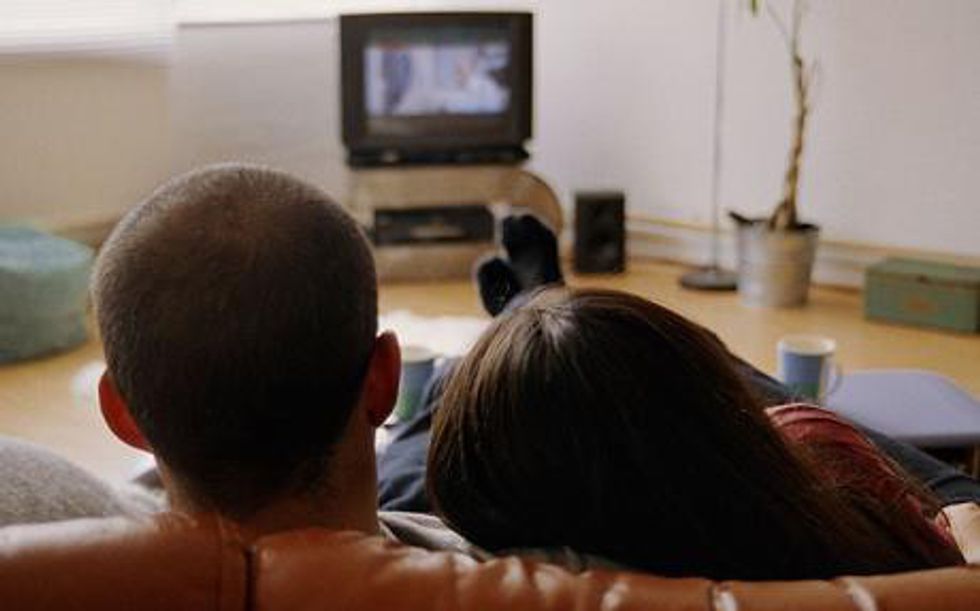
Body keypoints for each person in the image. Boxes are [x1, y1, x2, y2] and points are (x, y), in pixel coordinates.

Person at [426, 286, 964, 580]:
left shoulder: (478, 539)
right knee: (758, 387)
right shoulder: (811, 442)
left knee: (442, 386)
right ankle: (534, 291)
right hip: (797, 468)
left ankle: (526, 297)